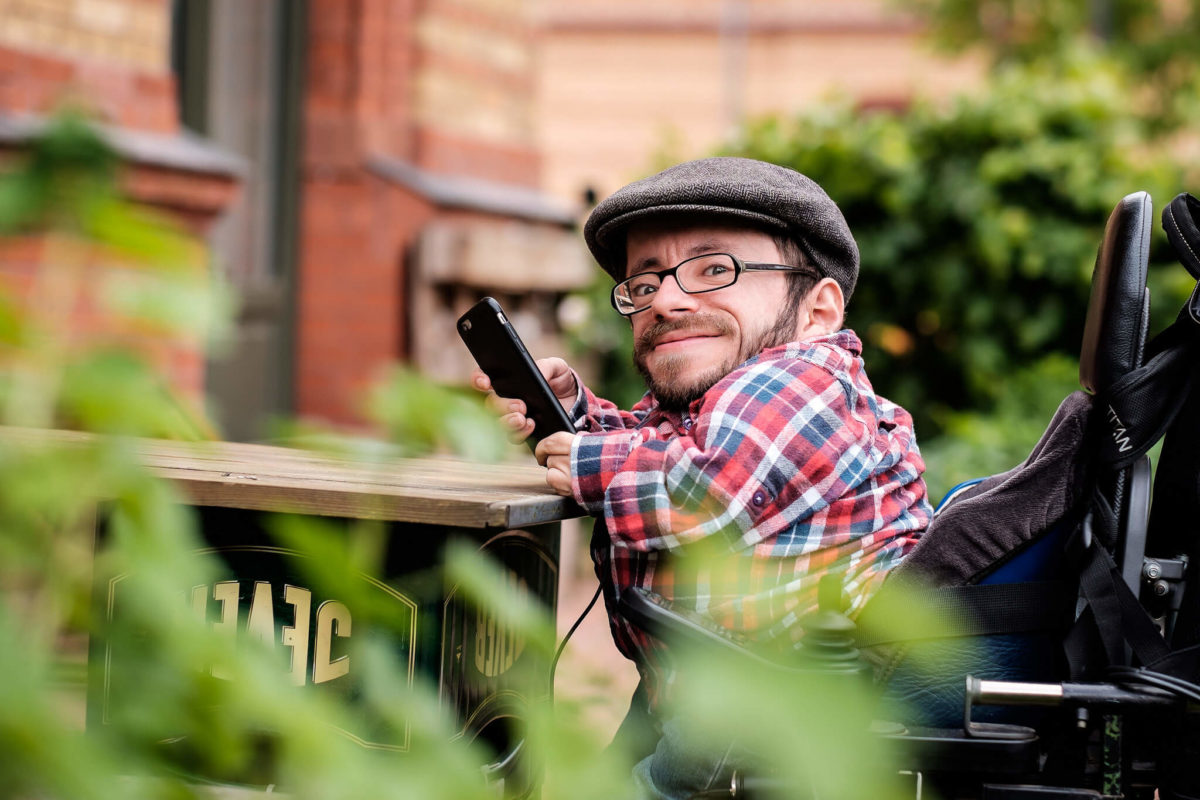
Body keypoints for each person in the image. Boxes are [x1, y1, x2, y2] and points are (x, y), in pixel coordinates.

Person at [472, 156, 932, 798]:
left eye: (716, 269)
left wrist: (571, 457)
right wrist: (575, 415)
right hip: (694, 691)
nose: (665, 300)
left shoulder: (800, 380)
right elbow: (661, 447)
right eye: (643, 283)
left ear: (818, 310)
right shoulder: (716, 407)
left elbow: (702, 487)